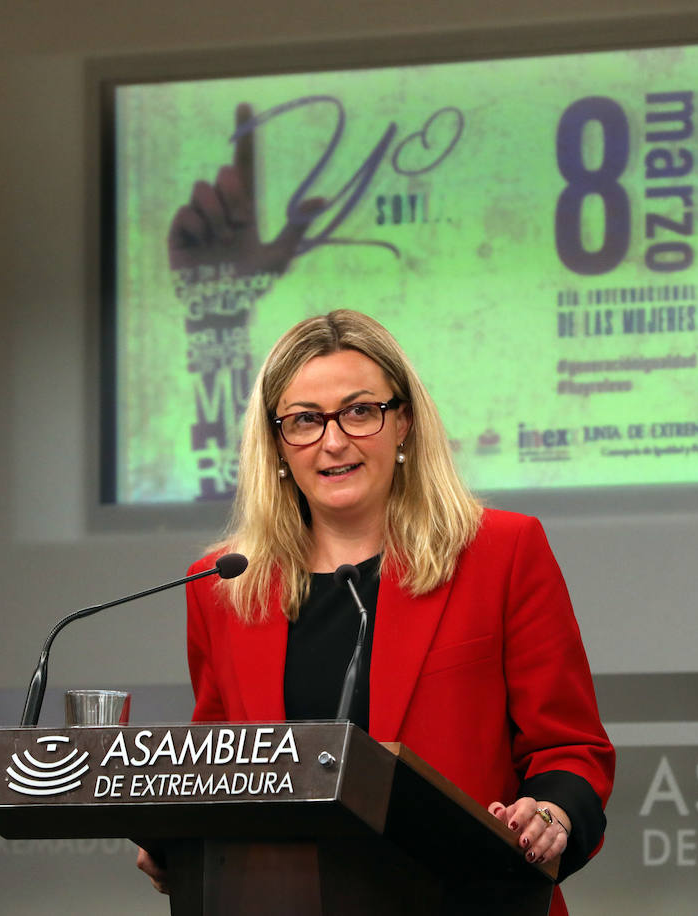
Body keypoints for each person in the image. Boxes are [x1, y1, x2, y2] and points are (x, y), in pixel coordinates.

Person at [137, 310, 614, 915]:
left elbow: (570, 748)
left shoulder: (500, 553)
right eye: (305, 420)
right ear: (278, 442)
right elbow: (215, 767)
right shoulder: (225, 586)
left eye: (359, 411)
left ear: (404, 422)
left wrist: (552, 814)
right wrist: (179, 838)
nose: (333, 441)